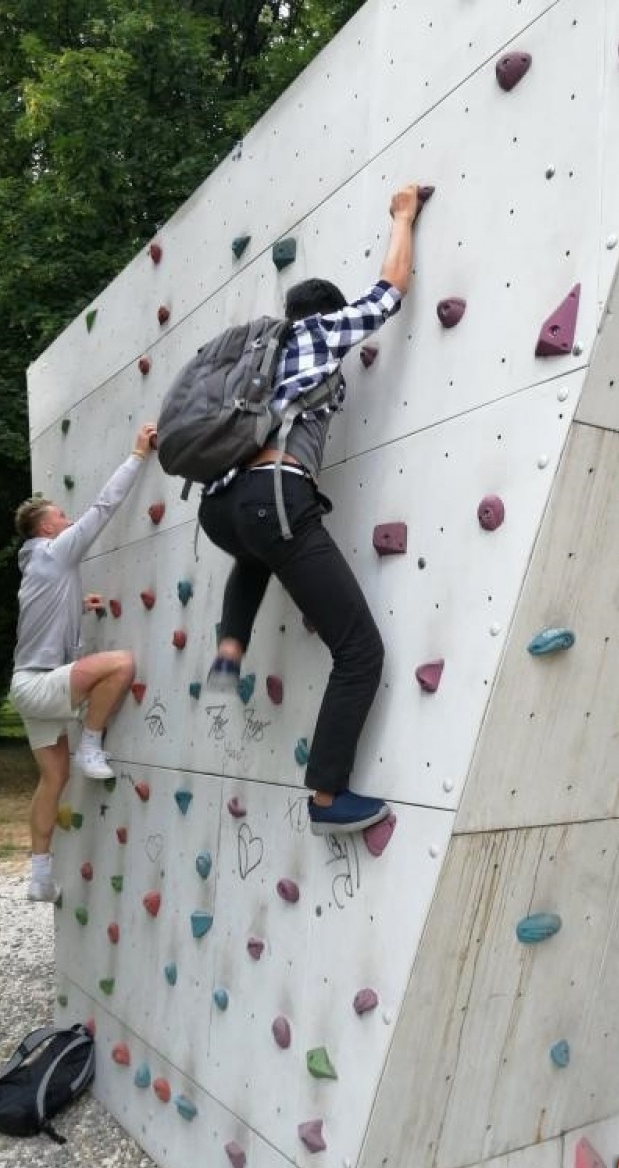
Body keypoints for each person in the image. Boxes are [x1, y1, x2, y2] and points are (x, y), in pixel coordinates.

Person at [198, 184, 421, 837]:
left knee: (259, 549)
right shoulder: (321, 332)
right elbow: (388, 293)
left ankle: (230, 646)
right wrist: (403, 217)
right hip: (276, 495)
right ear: (322, 314)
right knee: (360, 650)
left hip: (222, 506)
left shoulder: (251, 358)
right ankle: (328, 799)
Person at [10, 422, 157, 902]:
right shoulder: (55, 551)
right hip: (39, 684)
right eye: (61, 515)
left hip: (27, 686)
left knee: (53, 778)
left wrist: (78, 605)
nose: (68, 518)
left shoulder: (36, 564)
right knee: (121, 664)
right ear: (48, 528)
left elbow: (41, 619)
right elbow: (103, 509)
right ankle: (91, 744)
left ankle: (39, 878)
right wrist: (137, 455)